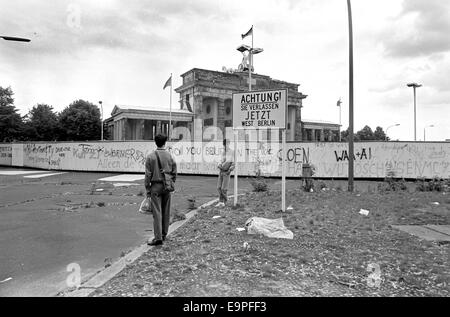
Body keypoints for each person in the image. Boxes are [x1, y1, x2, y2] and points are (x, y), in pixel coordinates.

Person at [144, 134, 177, 246]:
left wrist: (148, 189)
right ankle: (164, 234)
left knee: (157, 212)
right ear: (165, 142)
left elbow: (148, 175)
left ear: (155, 142)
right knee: (166, 211)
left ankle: (158, 238)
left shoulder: (150, 156)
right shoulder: (169, 156)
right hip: (167, 186)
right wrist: (171, 183)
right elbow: (174, 171)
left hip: (155, 186)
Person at [216, 139, 235, 207]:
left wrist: (229, 170)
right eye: (225, 144)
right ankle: (221, 201)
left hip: (227, 172)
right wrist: (219, 164)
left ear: (229, 144)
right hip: (221, 171)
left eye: (227, 143)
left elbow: (233, 163)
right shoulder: (223, 152)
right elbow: (220, 160)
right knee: (219, 187)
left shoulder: (232, 152)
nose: (226, 145)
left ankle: (224, 201)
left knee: (224, 188)